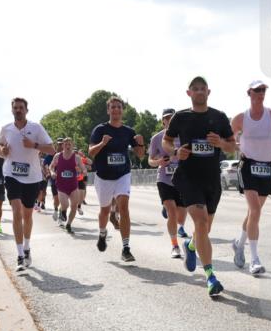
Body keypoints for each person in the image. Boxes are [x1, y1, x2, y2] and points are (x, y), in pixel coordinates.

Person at [163, 76, 237, 297]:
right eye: (195, 89)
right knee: (201, 222)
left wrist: (220, 143)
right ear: (189, 93)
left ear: (208, 91)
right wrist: (176, 152)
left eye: (202, 88)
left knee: (205, 228)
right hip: (188, 177)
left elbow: (232, 146)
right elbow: (167, 141)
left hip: (212, 179)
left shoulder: (219, 117)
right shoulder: (181, 117)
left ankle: (191, 246)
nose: (199, 92)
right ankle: (211, 276)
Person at [230, 80, 271, 275]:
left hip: (267, 166)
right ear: (249, 93)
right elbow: (229, 140)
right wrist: (236, 145)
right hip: (248, 165)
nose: (261, 93)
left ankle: (239, 243)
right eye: (257, 90)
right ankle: (254, 260)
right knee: (255, 210)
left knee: (253, 213)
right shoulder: (240, 118)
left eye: (263, 90)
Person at [0, 97, 55, 272]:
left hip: (32, 177)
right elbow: (0, 147)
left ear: (26, 110)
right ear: (12, 110)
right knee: (16, 212)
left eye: (21, 108)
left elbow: (52, 149)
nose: (18, 110)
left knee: (27, 215)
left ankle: (27, 247)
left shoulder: (36, 128)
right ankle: (19, 255)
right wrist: (2, 150)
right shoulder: (6, 129)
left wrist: (34, 145)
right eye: (15, 107)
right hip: (11, 174)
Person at [89, 96, 145, 260]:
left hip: (123, 174)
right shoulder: (100, 129)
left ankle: (126, 248)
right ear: (108, 110)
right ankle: (102, 233)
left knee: (123, 207)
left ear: (122, 110)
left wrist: (141, 143)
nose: (116, 110)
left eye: (119, 107)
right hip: (104, 176)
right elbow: (91, 152)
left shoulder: (128, 131)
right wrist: (102, 143)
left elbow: (140, 155)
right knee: (105, 211)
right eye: (113, 107)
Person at [149, 108, 189, 258]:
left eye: (172, 117)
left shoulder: (185, 135)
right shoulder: (157, 138)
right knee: (172, 213)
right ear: (163, 121)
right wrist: (159, 161)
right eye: (167, 118)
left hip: (182, 179)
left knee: (180, 216)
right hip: (164, 179)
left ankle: (173, 216)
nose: (170, 120)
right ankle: (175, 246)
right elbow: (150, 160)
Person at [49, 137, 85, 233]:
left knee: (74, 206)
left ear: (72, 145)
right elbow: (51, 166)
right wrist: (52, 172)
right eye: (66, 144)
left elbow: (84, 169)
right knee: (65, 204)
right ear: (62, 146)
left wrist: (81, 171)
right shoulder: (58, 156)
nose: (68, 146)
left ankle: (68, 224)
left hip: (73, 185)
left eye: (69, 144)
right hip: (61, 185)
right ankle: (63, 212)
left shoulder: (77, 157)